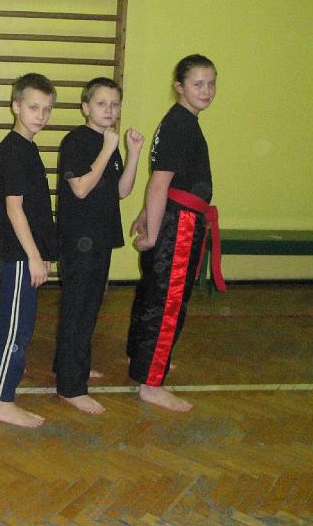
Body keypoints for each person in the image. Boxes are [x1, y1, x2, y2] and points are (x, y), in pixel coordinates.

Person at [127, 54, 222, 412]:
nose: (207, 90)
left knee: (154, 293)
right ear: (179, 86)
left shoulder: (179, 121)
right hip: (178, 225)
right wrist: (153, 233)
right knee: (168, 302)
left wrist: (145, 216)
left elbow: (165, 182)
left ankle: (144, 358)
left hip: (175, 217)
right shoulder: (180, 124)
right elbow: (158, 182)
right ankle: (151, 383)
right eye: (198, 83)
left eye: (211, 83)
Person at [53, 77, 143, 414]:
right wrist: (107, 150)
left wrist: (133, 154)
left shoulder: (109, 142)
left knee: (89, 308)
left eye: (114, 104)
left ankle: (71, 366)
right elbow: (80, 189)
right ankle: (71, 386)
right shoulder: (76, 141)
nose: (109, 110)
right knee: (77, 309)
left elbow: (121, 190)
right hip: (79, 239)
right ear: (85, 107)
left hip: (100, 237)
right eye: (102, 103)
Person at [0, 73, 59, 428]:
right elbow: (14, 209)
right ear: (16, 106)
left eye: (46, 109)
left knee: (8, 318)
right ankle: (2, 401)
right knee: (18, 328)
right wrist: (34, 257)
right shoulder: (15, 150)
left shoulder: (24, 147)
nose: (40, 115)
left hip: (24, 252)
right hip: (20, 254)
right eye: (33, 107)